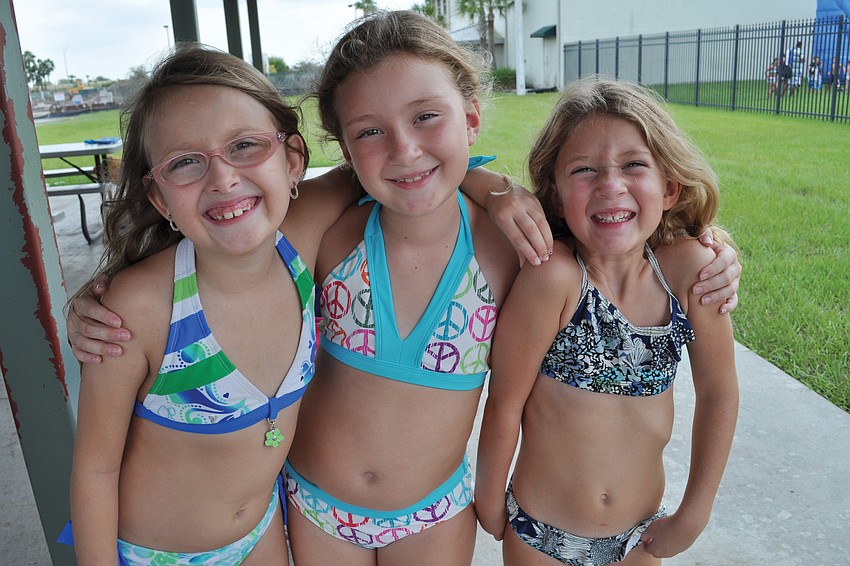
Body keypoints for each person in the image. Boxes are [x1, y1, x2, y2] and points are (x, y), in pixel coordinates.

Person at [66, 12, 741, 565]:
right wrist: (102, 295)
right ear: (344, 151)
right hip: (314, 506)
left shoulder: (520, 248)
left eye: (427, 118)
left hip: (435, 511)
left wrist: (710, 248)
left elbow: (614, 227)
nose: (405, 149)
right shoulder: (322, 229)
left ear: (471, 119)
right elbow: (222, 239)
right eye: (370, 133)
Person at [66, 44, 332, 564]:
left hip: (260, 535)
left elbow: (396, 172)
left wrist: (495, 189)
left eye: (245, 146)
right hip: (156, 553)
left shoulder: (303, 241)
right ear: (160, 198)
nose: (223, 178)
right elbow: (95, 469)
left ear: (293, 160)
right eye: (186, 161)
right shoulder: (140, 308)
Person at [474, 78, 739, 566]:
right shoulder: (552, 278)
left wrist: (695, 512)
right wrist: (489, 498)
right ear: (554, 198)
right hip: (541, 538)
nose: (610, 185)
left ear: (669, 187)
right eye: (584, 170)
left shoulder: (691, 271)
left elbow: (719, 391)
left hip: (640, 540)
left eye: (634, 165)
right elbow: (505, 401)